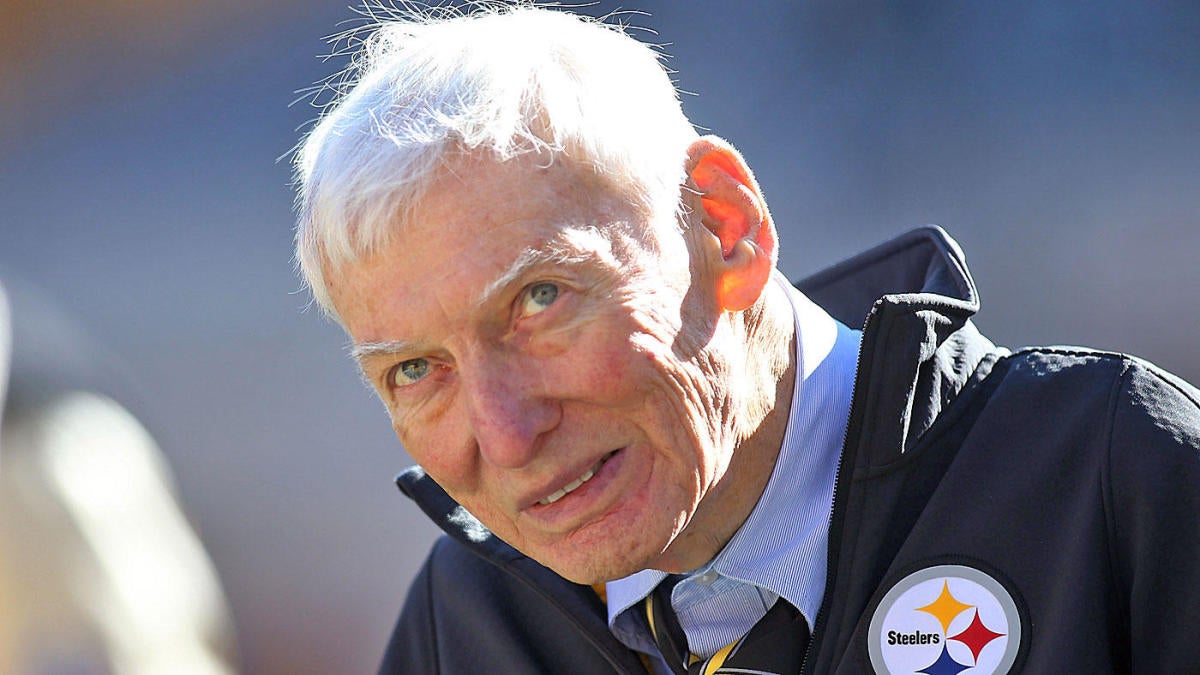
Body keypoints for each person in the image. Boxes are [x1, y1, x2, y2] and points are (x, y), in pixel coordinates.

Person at [292, 4, 1200, 674]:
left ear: (725, 228)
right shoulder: (469, 627)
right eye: (416, 368)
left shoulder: (1116, 478)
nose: (506, 432)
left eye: (538, 300)